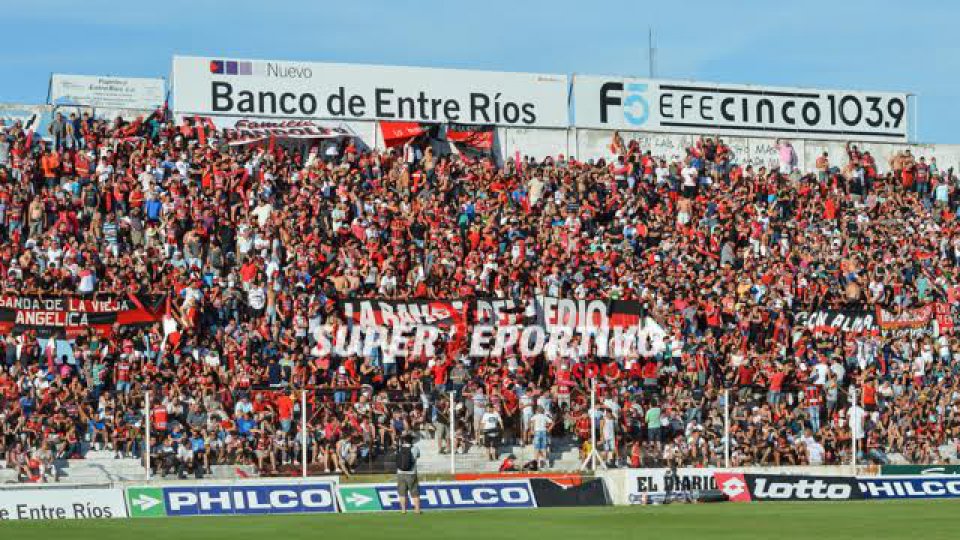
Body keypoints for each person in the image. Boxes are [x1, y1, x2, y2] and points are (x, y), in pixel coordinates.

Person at [396, 433, 421, 515]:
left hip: (400, 473)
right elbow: (418, 456)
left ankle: (403, 510)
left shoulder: (400, 448)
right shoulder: (415, 448)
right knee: (414, 491)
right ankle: (417, 510)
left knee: (402, 492)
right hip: (411, 472)